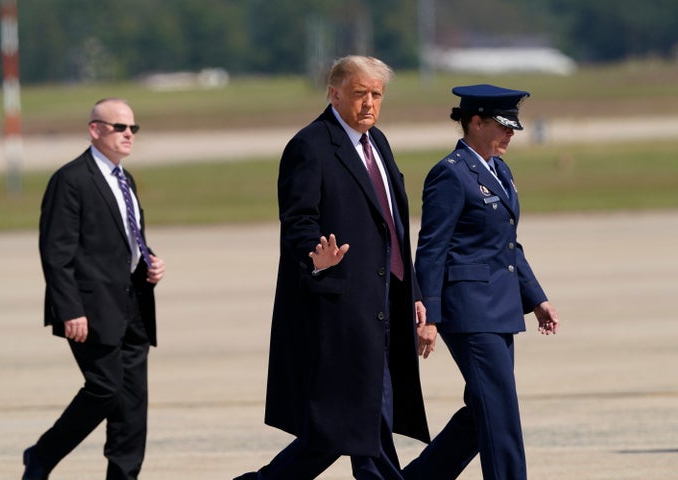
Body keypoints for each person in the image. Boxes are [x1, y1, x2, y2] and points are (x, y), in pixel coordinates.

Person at [234, 55, 434, 480]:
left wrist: (412, 293)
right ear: (334, 93)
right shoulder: (311, 145)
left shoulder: (377, 142)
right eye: (359, 94)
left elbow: (394, 230)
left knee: (337, 431)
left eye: (376, 95)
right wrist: (314, 256)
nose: (368, 104)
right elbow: (299, 220)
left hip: (385, 300)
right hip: (341, 305)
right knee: (368, 415)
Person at [403, 84, 560, 480]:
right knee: (500, 408)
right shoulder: (451, 174)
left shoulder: (498, 169)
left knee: (483, 409)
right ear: (475, 122)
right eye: (502, 125)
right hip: (469, 310)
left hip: (500, 307)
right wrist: (429, 315)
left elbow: (507, 245)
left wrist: (536, 298)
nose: (511, 133)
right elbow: (432, 248)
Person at [22, 98, 166, 480]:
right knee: (105, 390)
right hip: (90, 308)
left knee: (132, 405)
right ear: (95, 129)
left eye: (133, 128)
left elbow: (123, 238)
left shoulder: (124, 179)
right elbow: (56, 253)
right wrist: (70, 309)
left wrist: (149, 260)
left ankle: (124, 476)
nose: (128, 135)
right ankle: (42, 454)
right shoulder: (71, 180)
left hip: (134, 304)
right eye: (120, 127)